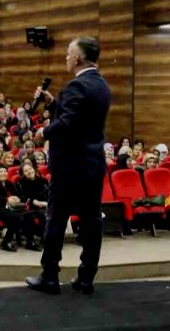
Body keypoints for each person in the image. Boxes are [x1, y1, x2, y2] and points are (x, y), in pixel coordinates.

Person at [26, 36, 111, 296]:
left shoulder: (76, 85)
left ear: (78, 58)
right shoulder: (101, 85)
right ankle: (86, 277)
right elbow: (80, 118)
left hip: (69, 166)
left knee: (56, 219)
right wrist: (53, 102)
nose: (66, 57)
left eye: (68, 53)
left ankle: (49, 276)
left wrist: (43, 132)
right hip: (92, 164)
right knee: (91, 221)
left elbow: (68, 124)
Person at [16, 160, 49, 250]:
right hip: (29, 207)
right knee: (33, 216)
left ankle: (45, 239)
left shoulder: (43, 180)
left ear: (34, 169)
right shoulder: (20, 183)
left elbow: (49, 193)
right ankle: (30, 242)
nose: (29, 172)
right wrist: (34, 201)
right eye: (26, 171)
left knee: (46, 214)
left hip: (43, 205)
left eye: (30, 169)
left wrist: (46, 203)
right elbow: (21, 197)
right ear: (23, 174)